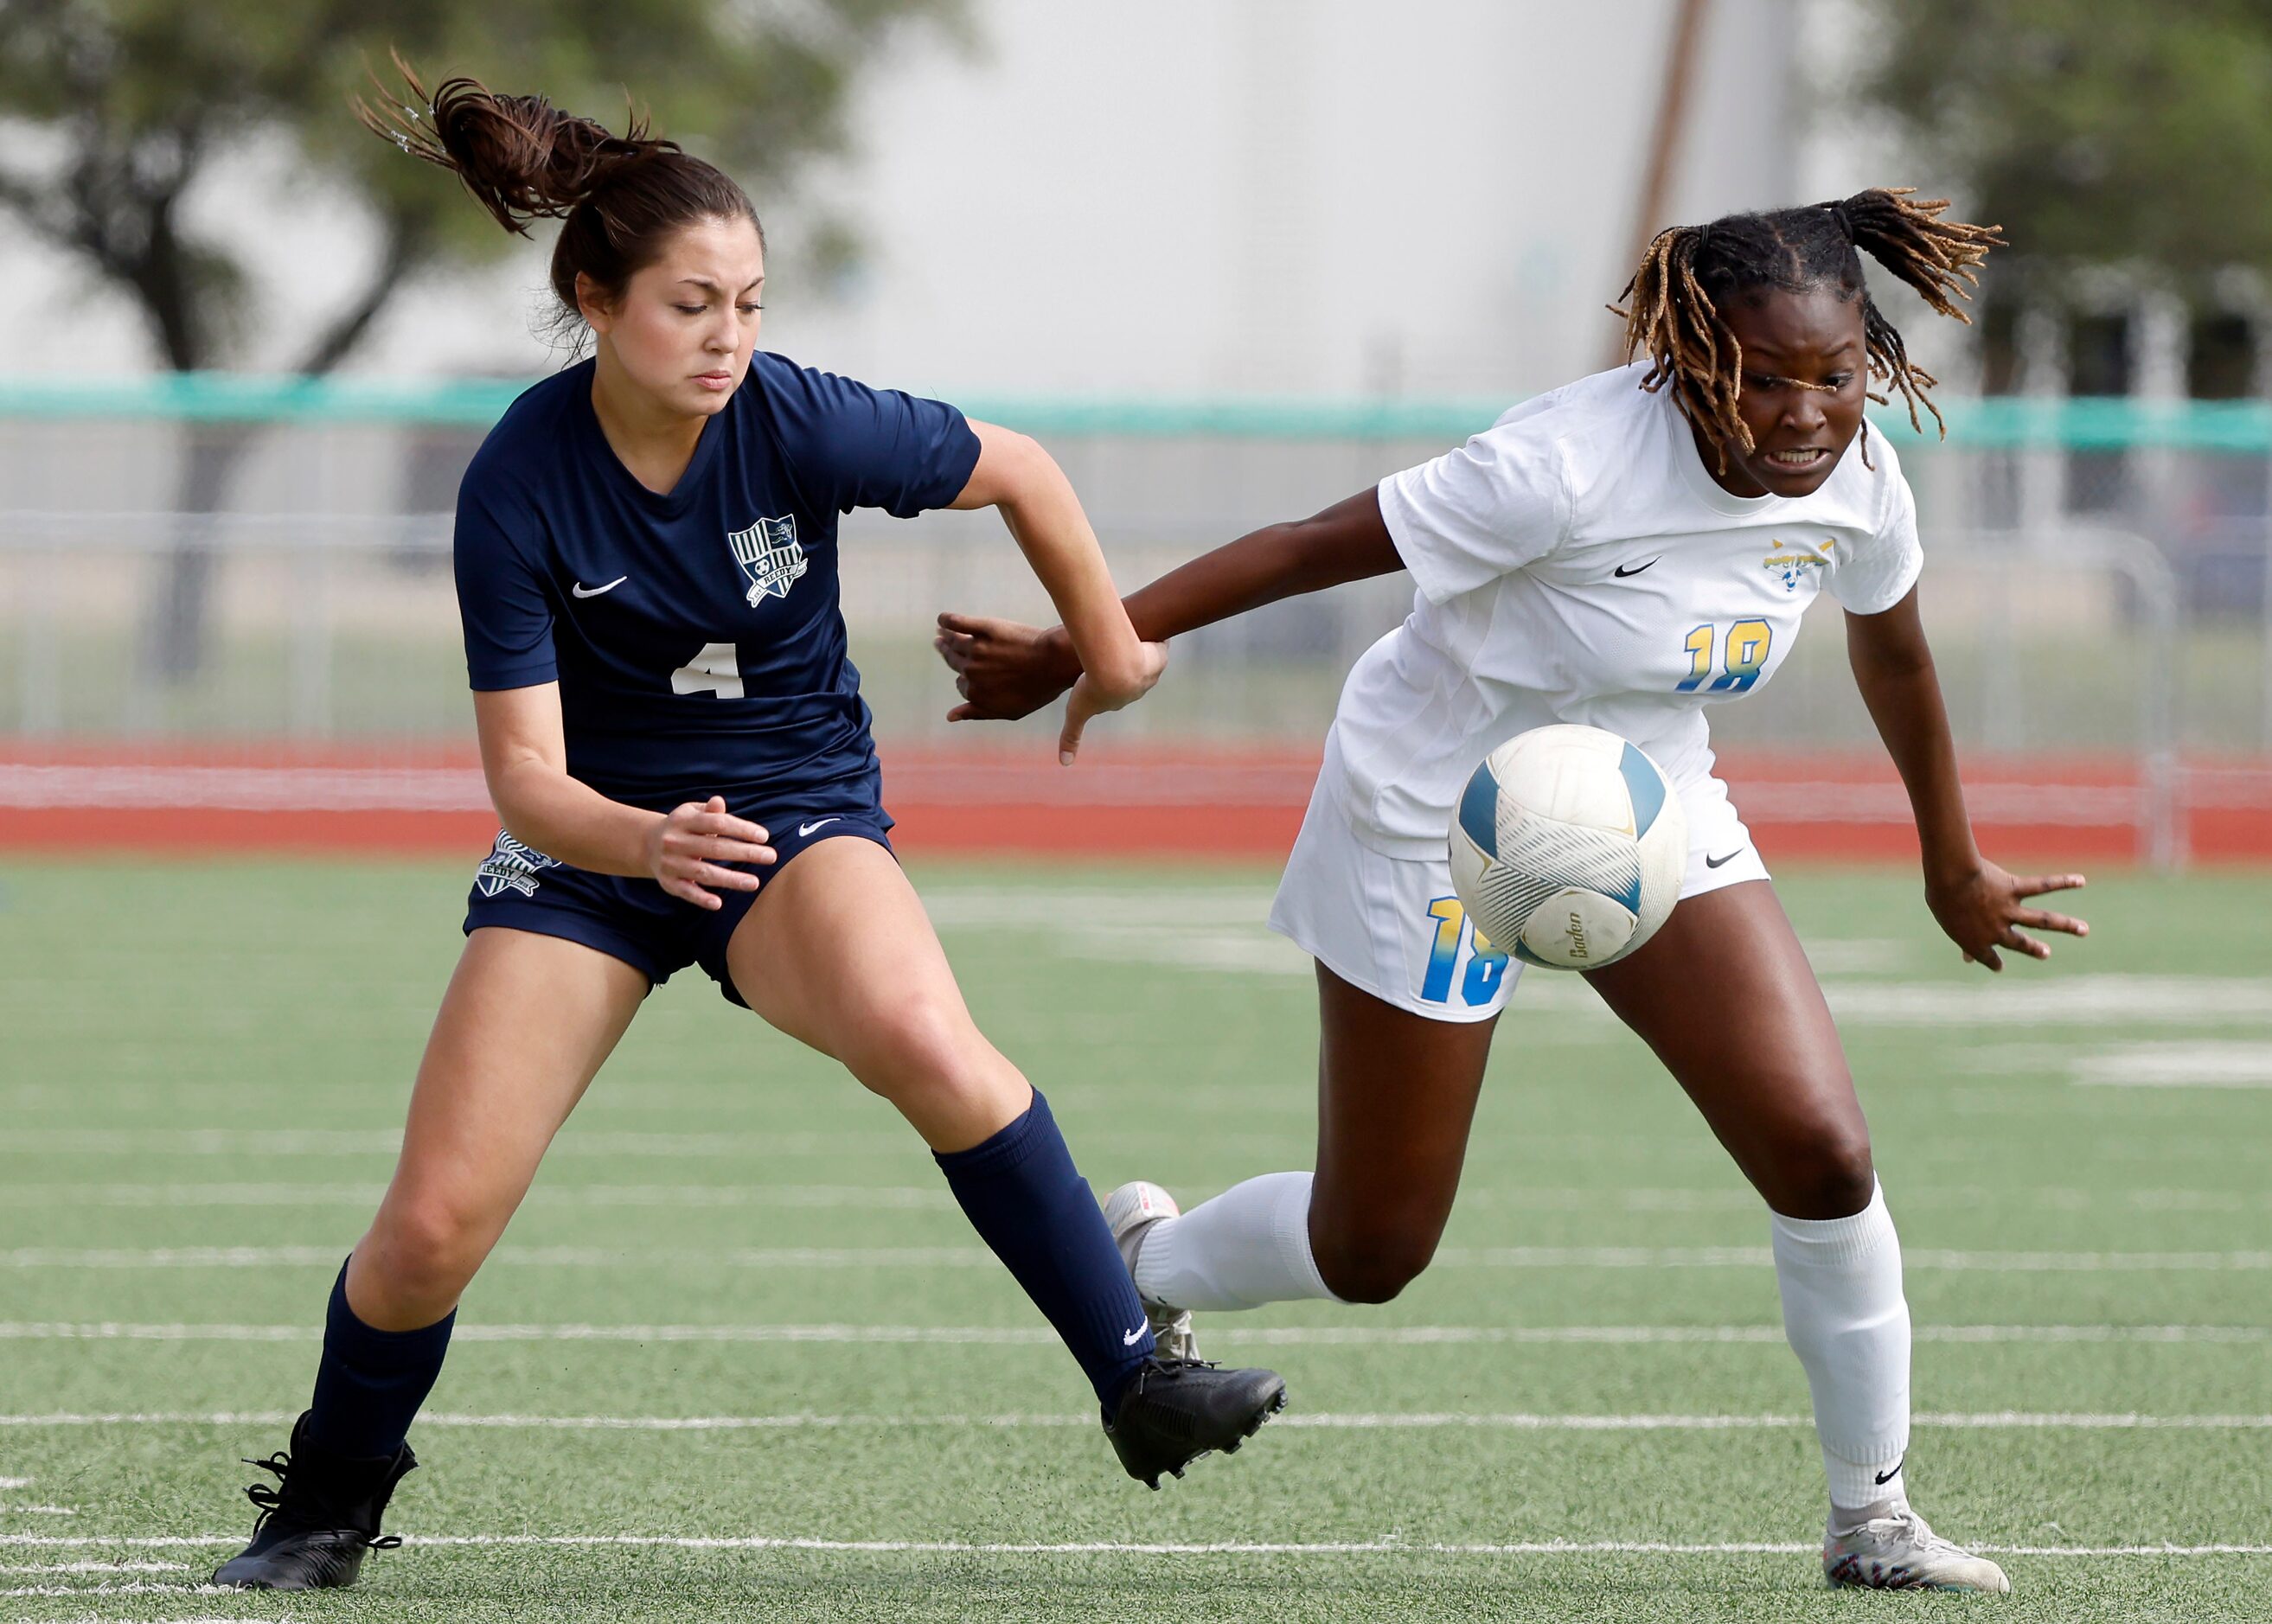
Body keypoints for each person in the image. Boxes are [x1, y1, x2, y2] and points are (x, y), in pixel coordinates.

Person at [210, 67, 1284, 1593]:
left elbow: (1023, 469)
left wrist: (1109, 654)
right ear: (595, 300)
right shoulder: (517, 481)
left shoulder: (797, 420)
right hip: (593, 849)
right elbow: (525, 777)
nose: (731, 339)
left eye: (753, 303)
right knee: (435, 1219)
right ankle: (322, 1508)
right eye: (692, 304)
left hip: (795, 812)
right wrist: (638, 846)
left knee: (927, 1034)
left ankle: (1137, 1379)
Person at [936, 189, 2088, 1595]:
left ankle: (1874, 1516)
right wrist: (1084, 644)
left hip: (1641, 801)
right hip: (1432, 807)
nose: (1804, 411)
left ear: (1872, 361)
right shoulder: (1561, 464)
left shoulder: (1860, 483)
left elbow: (1895, 657)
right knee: (1374, 1247)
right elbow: (1309, 545)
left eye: (1834, 375)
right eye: (1762, 376)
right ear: (1684, 358)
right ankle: (1153, 1254)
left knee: (1825, 1152)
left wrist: (1950, 862)